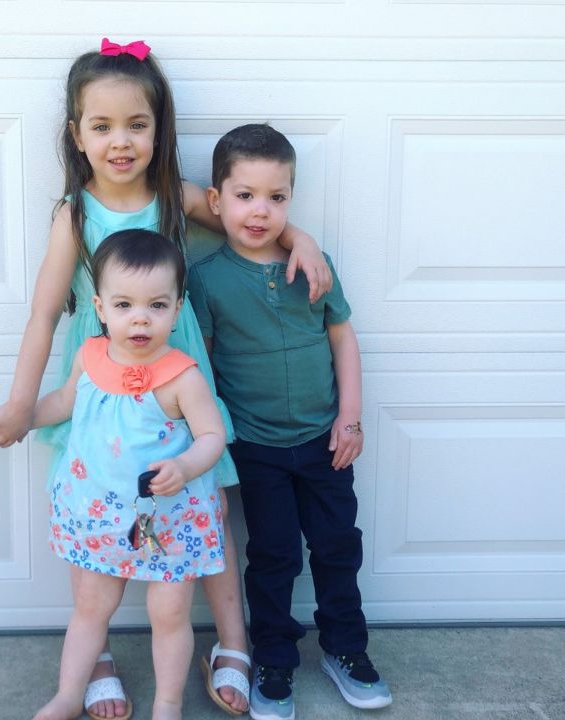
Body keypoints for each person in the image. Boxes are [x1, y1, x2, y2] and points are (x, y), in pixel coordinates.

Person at [0, 39, 332, 717]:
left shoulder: (174, 197)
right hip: (102, 383)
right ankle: (97, 653)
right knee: (98, 513)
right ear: (76, 135)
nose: (121, 141)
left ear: (158, 130)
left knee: (206, 508)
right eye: (102, 125)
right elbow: (45, 313)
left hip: (175, 381)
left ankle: (232, 641)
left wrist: (302, 241)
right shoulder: (74, 214)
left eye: (137, 125)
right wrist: (23, 402)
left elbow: (250, 218)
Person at [187, 124, 393, 720]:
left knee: (337, 548)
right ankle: (273, 660)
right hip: (257, 447)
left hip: (325, 440)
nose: (261, 210)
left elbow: (342, 337)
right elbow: (200, 363)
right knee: (274, 556)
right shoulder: (206, 279)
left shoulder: (313, 263)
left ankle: (345, 649)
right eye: (246, 195)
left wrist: (350, 419)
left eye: (277, 197)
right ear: (217, 200)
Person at [27, 229, 227, 720]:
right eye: (124, 305)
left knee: (170, 613)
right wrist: (23, 415)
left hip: (167, 519)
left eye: (157, 306)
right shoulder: (90, 359)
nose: (140, 318)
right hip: (97, 512)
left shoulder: (183, 376)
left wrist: (184, 465)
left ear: (177, 309)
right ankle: (70, 694)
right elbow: (62, 403)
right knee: (91, 608)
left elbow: (212, 438)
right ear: (100, 307)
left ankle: (168, 703)